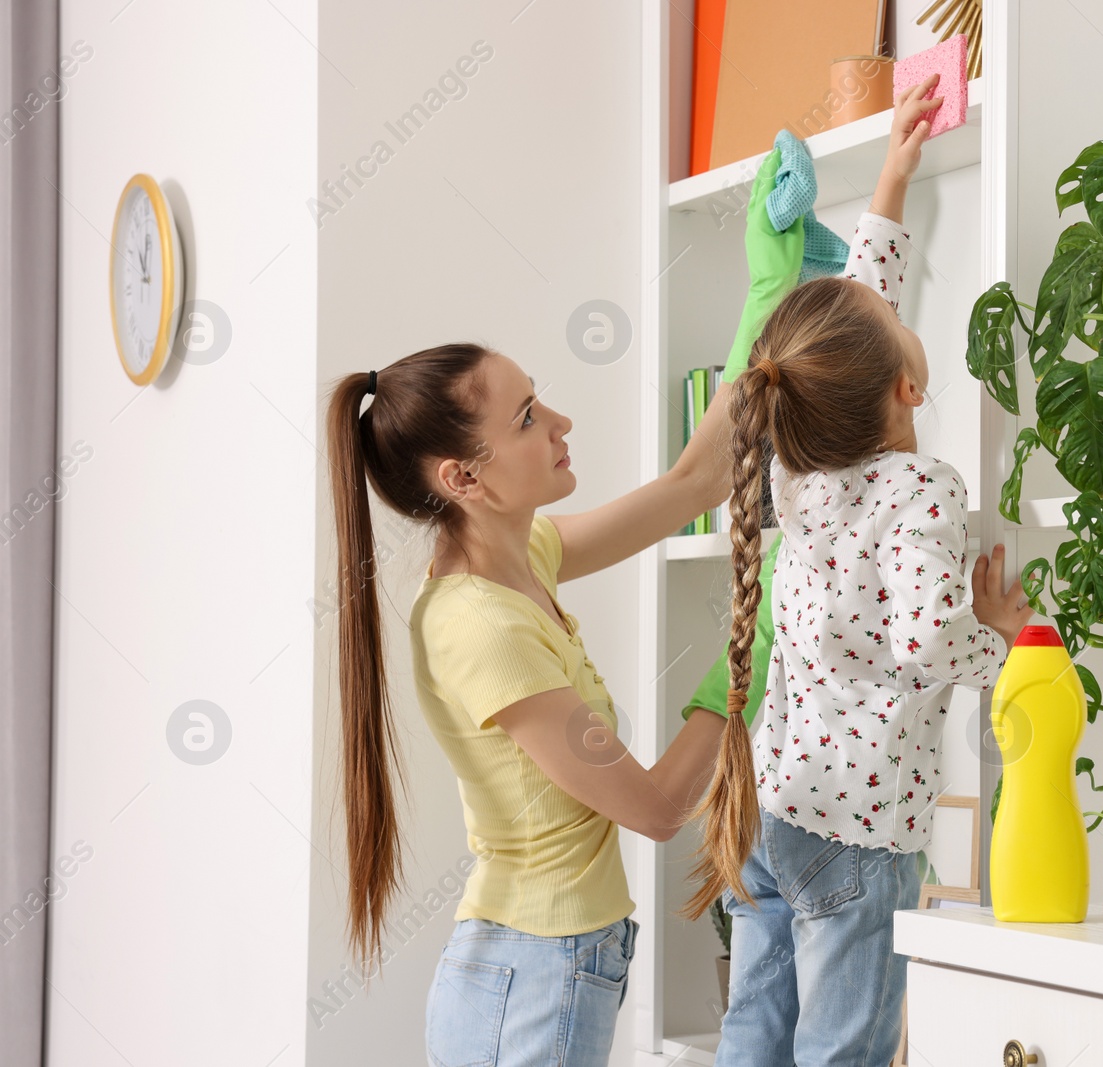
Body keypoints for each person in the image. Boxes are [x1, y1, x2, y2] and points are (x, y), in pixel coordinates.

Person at [683, 73, 1036, 1067]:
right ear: (909, 386)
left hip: (771, 807)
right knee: (843, 1045)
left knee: (752, 1026)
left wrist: (891, 181)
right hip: (860, 830)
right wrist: (997, 638)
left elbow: (850, 332)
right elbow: (927, 639)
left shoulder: (801, 466)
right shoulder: (921, 483)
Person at [323, 336, 737, 1065]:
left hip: (539, 967)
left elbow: (693, 486)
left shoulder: (523, 555)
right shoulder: (482, 625)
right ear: (463, 476)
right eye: (525, 418)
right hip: (537, 977)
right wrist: (742, 667)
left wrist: (766, 311)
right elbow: (654, 807)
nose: (561, 421)